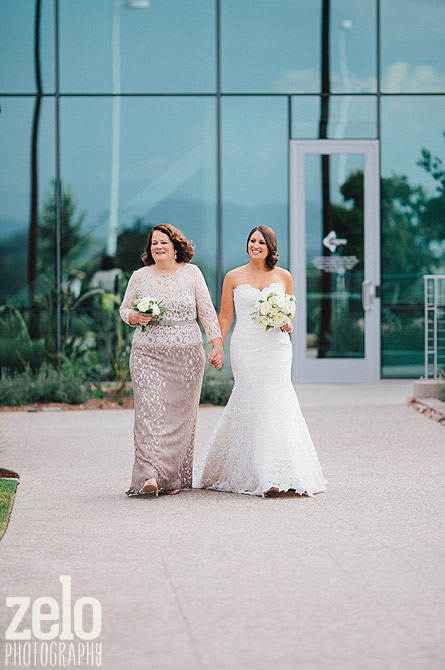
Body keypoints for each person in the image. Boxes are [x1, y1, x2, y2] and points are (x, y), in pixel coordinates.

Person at [195, 225, 327, 497]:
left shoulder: (284, 276)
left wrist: (287, 322)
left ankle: (280, 472)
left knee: (277, 401)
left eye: (261, 242)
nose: (255, 245)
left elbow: (290, 309)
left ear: (270, 248)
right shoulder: (233, 276)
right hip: (246, 346)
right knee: (251, 398)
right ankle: (258, 473)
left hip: (277, 347)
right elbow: (226, 316)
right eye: (252, 241)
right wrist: (218, 343)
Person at [120, 223, 223, 497]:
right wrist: (135, 317)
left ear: (176, 246)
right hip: (147, 354)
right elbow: (124, 308)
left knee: (179, 419)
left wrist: (217, 344)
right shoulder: (139, 277)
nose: (158, 247)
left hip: (186, 356)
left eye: (164, 242)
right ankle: (148, 476)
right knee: (148, 415)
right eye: (154, 243)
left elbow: (207, 311)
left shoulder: (192, 273)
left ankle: (169, 478)